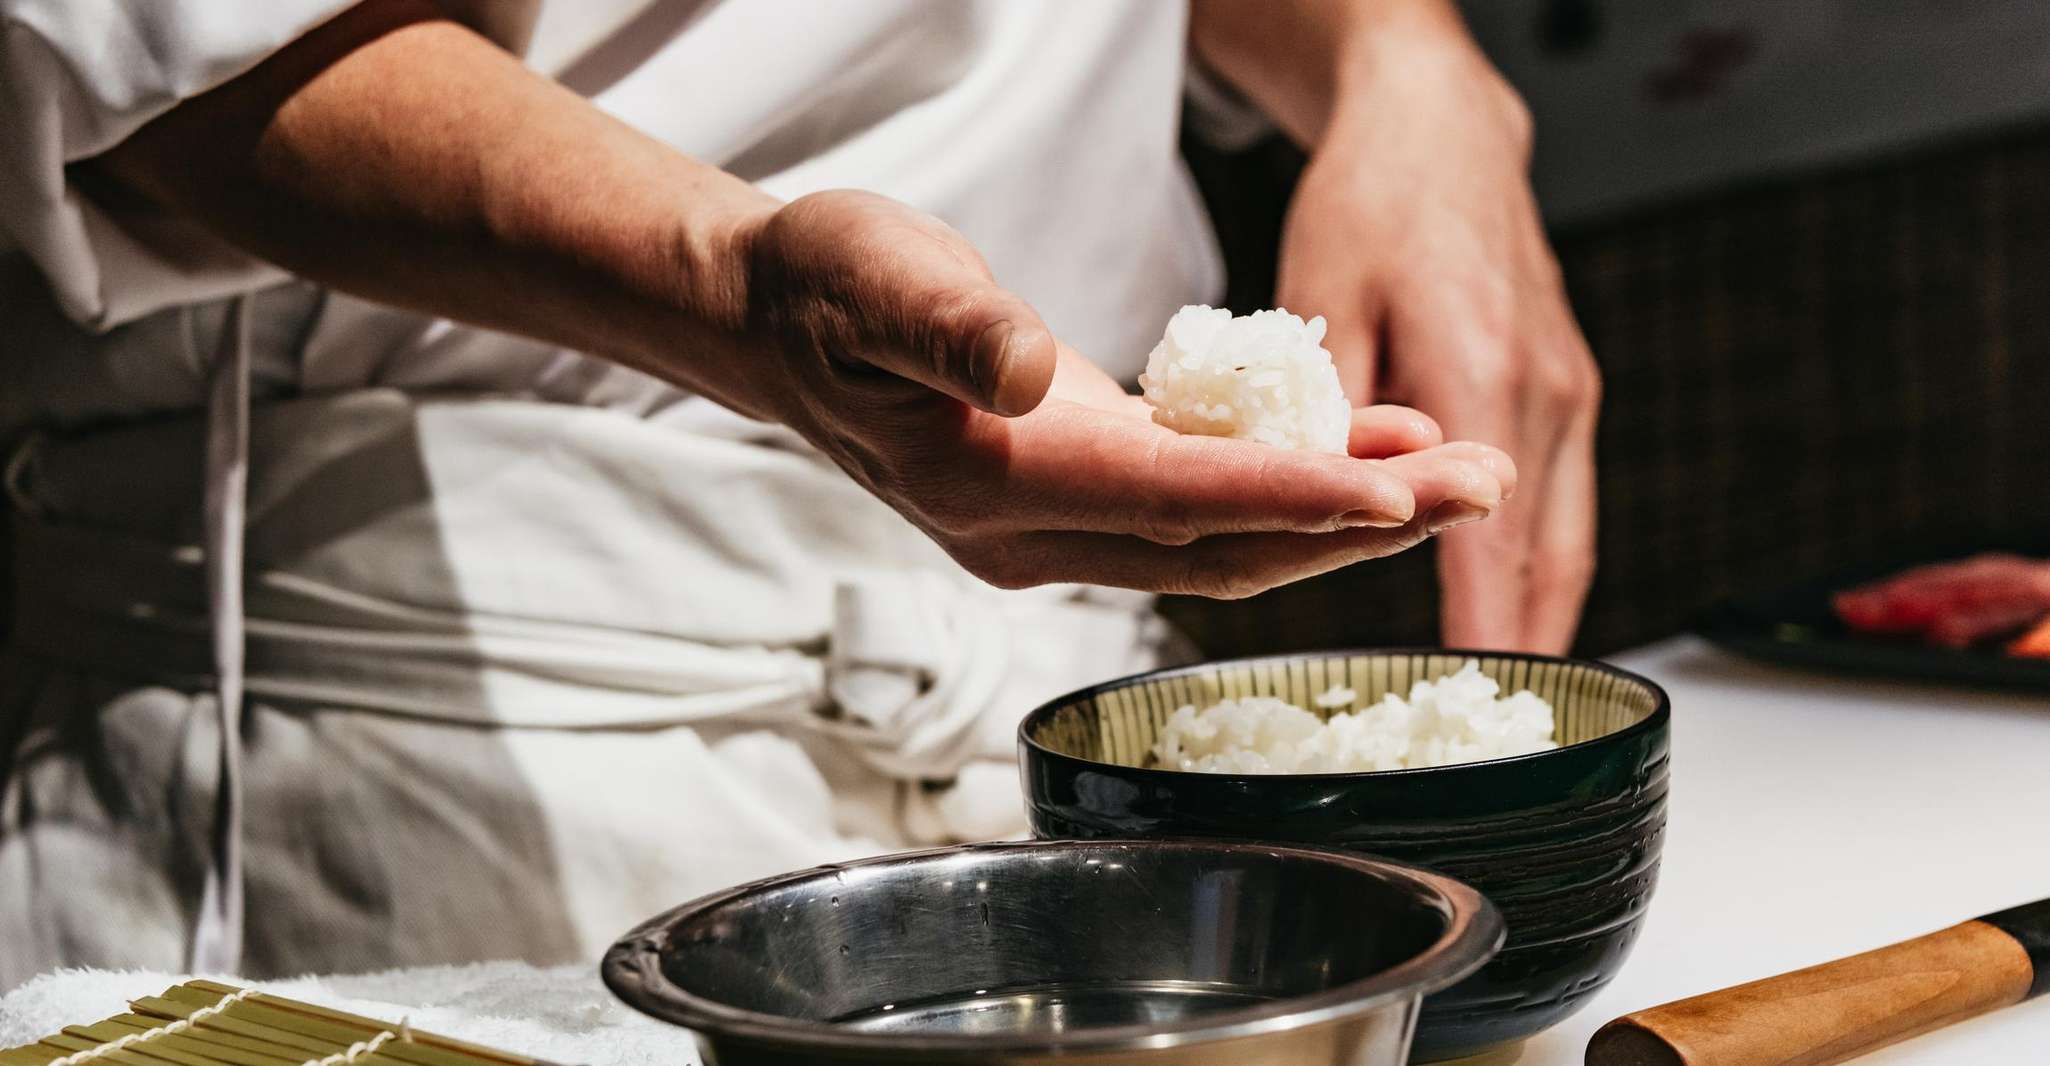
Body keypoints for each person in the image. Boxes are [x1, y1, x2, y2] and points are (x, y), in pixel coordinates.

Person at [0, 0, 1593, 983]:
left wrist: (1402, 66)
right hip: (425, 742)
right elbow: (156, 68)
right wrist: (729, 278)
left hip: (1057, 729)